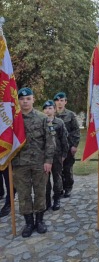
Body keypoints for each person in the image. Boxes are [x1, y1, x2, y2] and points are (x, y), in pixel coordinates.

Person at [12, 88, 55, 237]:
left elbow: (50, 141)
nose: (25, 101)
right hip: (19, 163)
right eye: (22, 99)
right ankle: (29, 223)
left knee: (40, 192)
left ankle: (39, 221)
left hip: (39, 163)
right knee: (23, 194)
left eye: (28, 98)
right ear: (18, 101)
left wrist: (48, 160)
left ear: (33, 99)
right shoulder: (13, 119)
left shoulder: (42, 118)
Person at [43, 100, 69, 211]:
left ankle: (57, 199)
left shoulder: (59, 123)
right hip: (44, 156)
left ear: (54, 110)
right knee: (45, 180)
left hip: (57, 155)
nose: (48, 111)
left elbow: (64, 139)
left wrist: (64, 154)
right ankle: (47, 201)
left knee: (57, 177)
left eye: (50, 108)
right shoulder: (41, 122)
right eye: (46, 108)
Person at [54, 92, 80, 198]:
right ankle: (59, 189)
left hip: (68, 146)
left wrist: (74, 145)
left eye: (62, 100)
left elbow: (76, 131)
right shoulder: (51, 113)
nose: (59, 103)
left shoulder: (70, 115)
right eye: (57, 101)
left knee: (67, 168)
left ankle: (68, 188)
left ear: (65, 102)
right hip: (55, 147)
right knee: (57, 170)